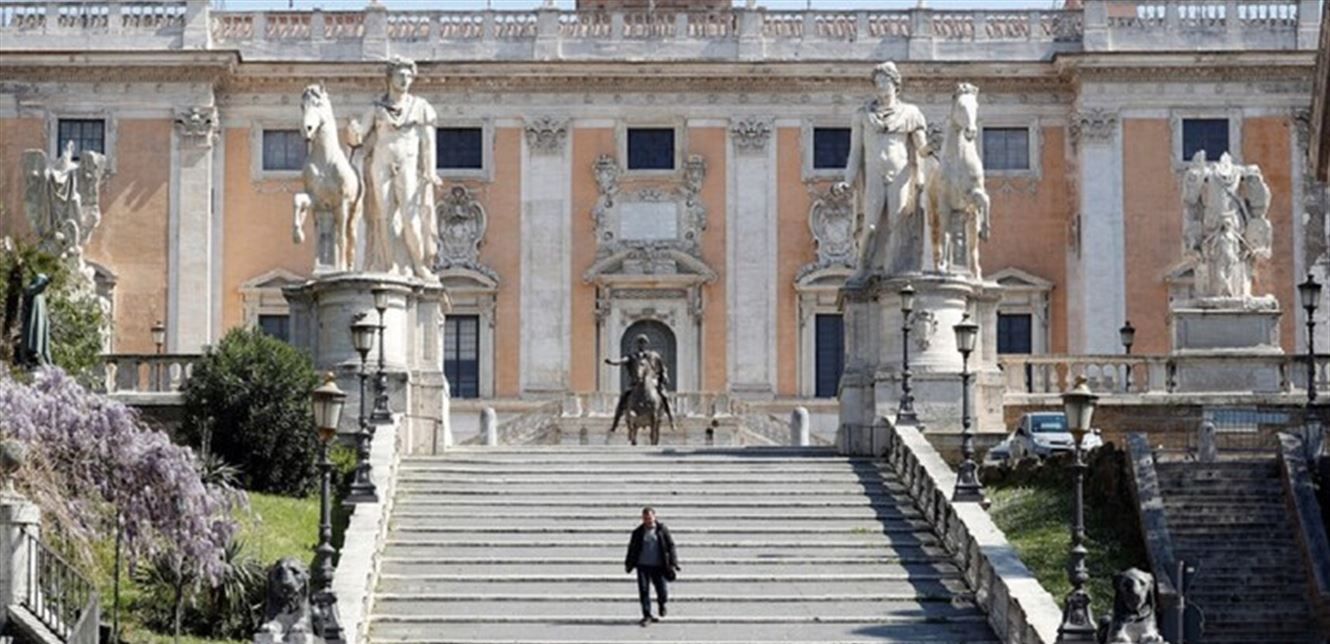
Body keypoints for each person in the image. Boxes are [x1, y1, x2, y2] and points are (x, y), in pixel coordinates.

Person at [836, 60, 929, 277]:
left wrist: (940, 150)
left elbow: (922, 148)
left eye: (884, 82)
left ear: (895, 84)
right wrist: (847, 181)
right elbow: (855, 153)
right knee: (870, 225)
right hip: (874, 175)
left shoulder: (910, 113)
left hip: (901, 175)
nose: (880, 87)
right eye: (877, 83)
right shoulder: (863, 115)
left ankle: (896, 271)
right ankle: (862, 268)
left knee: (899, 222)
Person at [604, 335, 675, 433]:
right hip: (635, 383)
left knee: (665, 397)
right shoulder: (632, 356)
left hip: (653, 382)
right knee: (623, 398)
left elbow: (662, 367)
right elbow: (621, 361)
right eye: (640, 342)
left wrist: (665, 376)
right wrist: (612, 362)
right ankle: (615, 424)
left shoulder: (654, 356)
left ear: (647, 344)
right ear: (637, 344)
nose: (642, 344)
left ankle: (672, 420)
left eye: (643, 342)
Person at [625, 507, 679, 626]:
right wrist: (628, 563)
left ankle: (662, 603)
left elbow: (670, 545)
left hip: (659, 566)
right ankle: (647, 615)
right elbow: (632, 548)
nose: (648, 520)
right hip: (642, 566)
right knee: (644, 591)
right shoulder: (638, 532)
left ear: (654, 517)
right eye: (645, 518)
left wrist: (673, 562)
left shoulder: (662, 530)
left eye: (649, 517)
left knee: (662, 590)